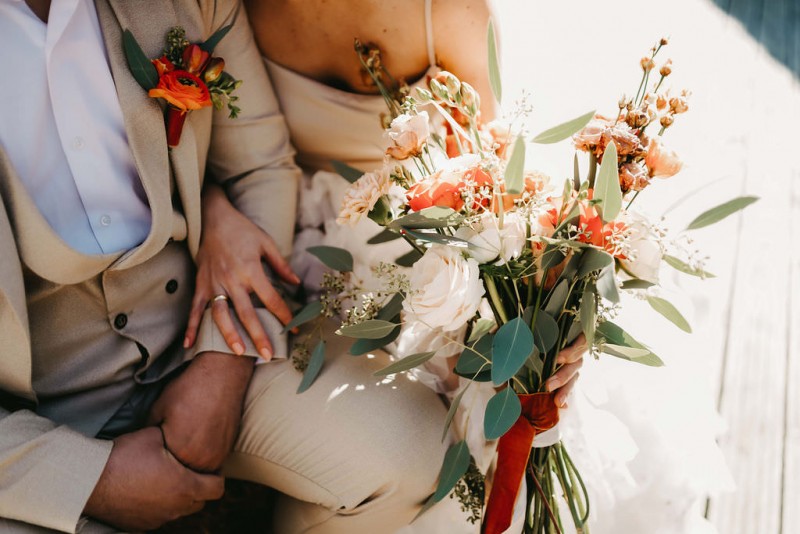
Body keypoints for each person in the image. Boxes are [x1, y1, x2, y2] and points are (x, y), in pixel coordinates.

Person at [0, 1, 450, 533]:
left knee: (417, 452)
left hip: (197, 334)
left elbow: (258, 166)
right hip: (29, 426)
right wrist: (90, 478)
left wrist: (222, 360)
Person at [186, 0, 585, 532]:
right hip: (283, 242)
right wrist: (213, 205)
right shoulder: (224, 8)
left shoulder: (450, 13)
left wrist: (538, 309)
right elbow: (190, 148)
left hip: (417, 250)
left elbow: (492, 177)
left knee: (473, 422)